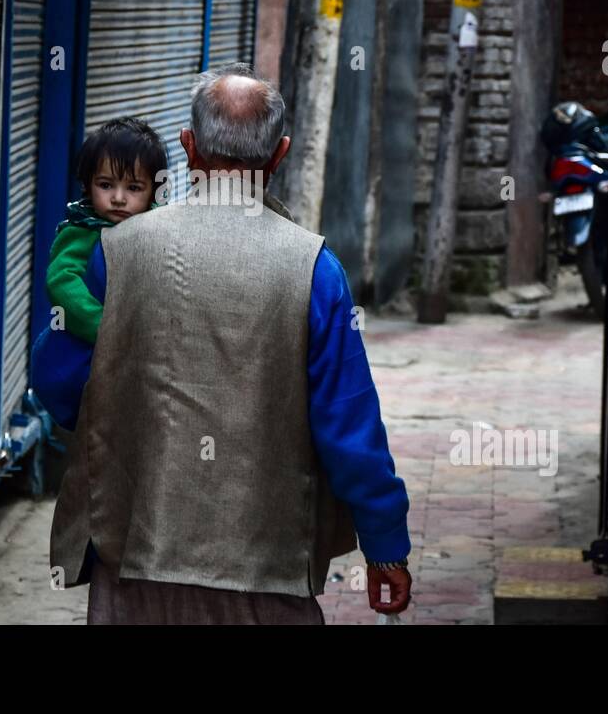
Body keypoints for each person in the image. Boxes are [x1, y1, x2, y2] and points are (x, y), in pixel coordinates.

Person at [37, 63, 411, 624]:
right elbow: (348, 424)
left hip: (136, 559)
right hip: (267, 573)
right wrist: (385, 545)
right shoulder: (314, 268)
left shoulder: (116, 252)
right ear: (280, 154)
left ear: (188, 148)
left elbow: (57, 385)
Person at [46, 117, 168, 345]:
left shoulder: (158, 230)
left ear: (153, 191)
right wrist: (102, 327)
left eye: (133, 188)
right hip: (89, 350)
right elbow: (61, 282)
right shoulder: (82, 230)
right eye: (105, 185)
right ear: (86, 184)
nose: (118, 199)